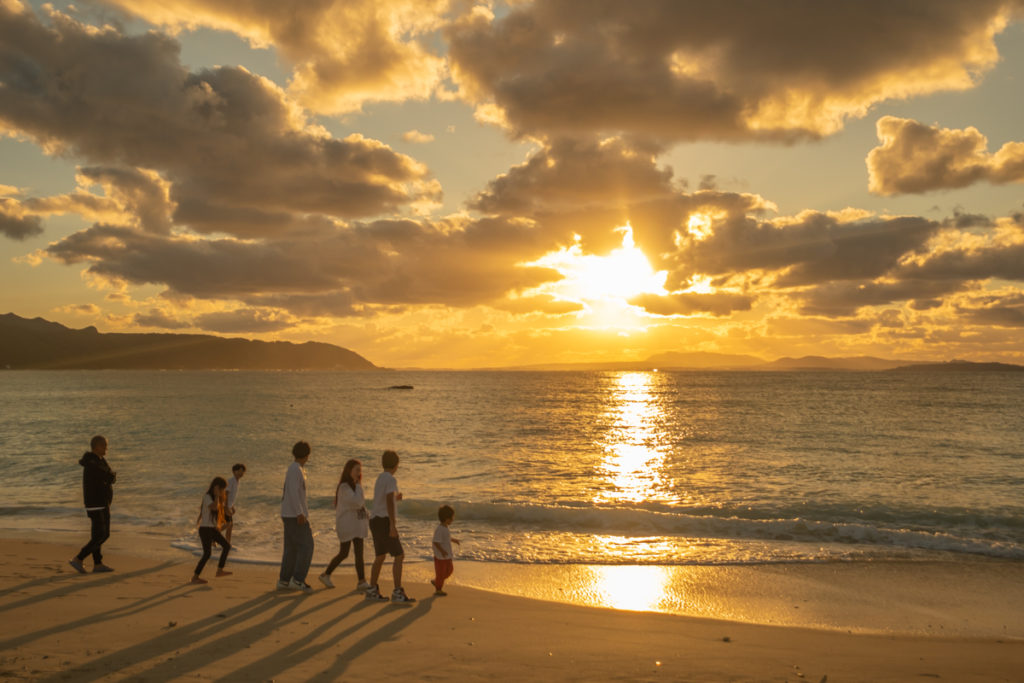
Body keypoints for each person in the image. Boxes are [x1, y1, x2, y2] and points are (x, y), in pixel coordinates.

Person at [366, 450, 414, 603]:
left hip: (374, 520)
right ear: (396, 465)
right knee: (399, 555)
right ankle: (397, 592)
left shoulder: (381, 478)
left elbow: (385, 498)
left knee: (380, 556)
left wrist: (395, 497)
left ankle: (372, 589)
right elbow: (387, 501)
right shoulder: (391, 479)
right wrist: (393, 525)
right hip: (384, 521)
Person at [319, 459, 371, 591]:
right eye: (357, 470)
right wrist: (359, 486)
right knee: (344, 553)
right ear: (349, 471)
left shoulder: (355, 486)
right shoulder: (344, 487)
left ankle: (361, 580)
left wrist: (368, 517)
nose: (359, 473)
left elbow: (361, 505)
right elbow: (357, 502)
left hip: (356, 523)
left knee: (359, 552)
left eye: (360, 470)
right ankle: (326, 574)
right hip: (347, 524)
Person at [69, 435, 116, 574]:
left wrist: (110, 476)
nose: (107, 448)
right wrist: (110, 476)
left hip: (103, 502)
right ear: (96, 447)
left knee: (99, 535)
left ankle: (98, 564)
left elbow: (111, 477)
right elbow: (108, 476)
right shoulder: (92, 463)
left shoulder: (100, 460)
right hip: (96, 503)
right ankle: (78, 558)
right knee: (102, 534)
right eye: (104, 445)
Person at [278, 441, 314, 593]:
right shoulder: (296, 469)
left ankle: (284, 580)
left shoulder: (295, 469)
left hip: (289, 513)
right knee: (307, 546)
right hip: (294, 514)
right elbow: (293, 492)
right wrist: (300, 512)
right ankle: (298, 579)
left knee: (291, 548)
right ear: (306, 455)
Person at [191, 477, 232, 584]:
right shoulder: (208, 497)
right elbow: (213, 508)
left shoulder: (215, 498)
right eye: (222, 489)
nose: (223, 491)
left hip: (211, 529)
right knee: (207, 554)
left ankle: (219, 570)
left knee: (227, 546)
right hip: (205, 529)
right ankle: (195, 577)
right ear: (216, 487)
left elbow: (218, 516)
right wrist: (218, 496)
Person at [431, 505, 461, 596]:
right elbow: (435, 542)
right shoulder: (440, 529)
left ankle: (437, 581)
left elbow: (446, 538)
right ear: (446, 518)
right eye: (452, 517)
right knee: (441, 573)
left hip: (447, 555)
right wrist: (442, 551)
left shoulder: (445, 528)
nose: (453, 519)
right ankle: (438, 589)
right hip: (441, 557)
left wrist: (453, 540)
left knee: (449, 570)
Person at [224, 463, 246, 545]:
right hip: (224, 506)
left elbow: (231, 496)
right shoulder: (231, 481)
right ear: (234, 472)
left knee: (229, 526)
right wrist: (226, 507)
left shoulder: (237, 481)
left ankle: (227, 543)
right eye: (239, 471)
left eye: (243, 472)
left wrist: (232, 507)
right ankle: (213, 536)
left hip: (228, 506)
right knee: (228, 525)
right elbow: (225, 493)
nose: (241, 473)